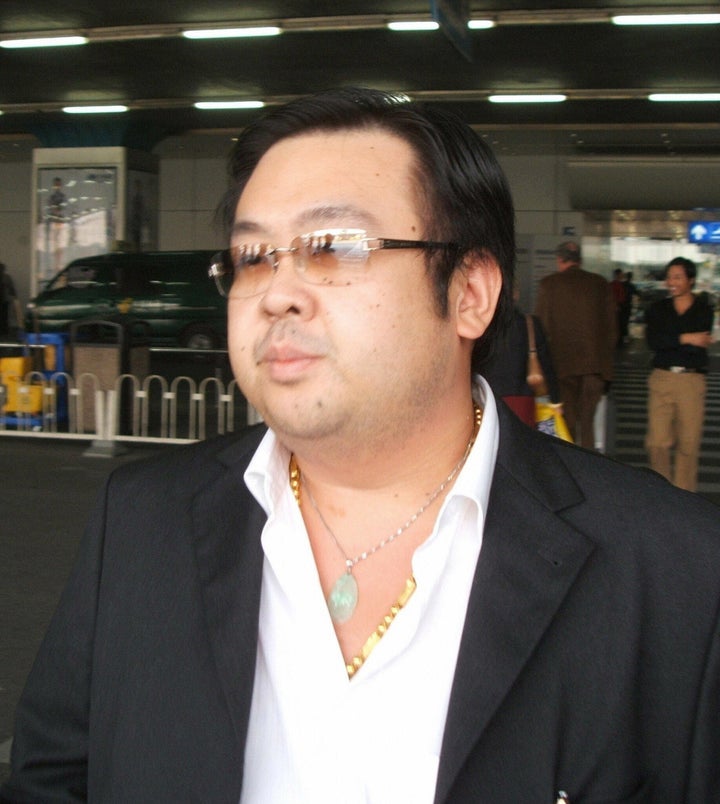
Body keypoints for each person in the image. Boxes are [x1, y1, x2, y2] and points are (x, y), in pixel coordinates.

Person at [2, 89, 719, 804]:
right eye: (253, 256)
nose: (277, 293)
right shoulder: (141, 519)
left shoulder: (672, 571)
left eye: (335, 247)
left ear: (470, 292)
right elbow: (53, 777)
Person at [534, 241, 617, 448]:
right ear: (580, 260)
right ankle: (589, 473)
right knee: (588, 424)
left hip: (562, 367)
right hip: (595, 368)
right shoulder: (600, 284)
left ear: (560, 260)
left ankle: (570, 473)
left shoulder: (549, 284)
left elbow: (540, 329)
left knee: (566, 423)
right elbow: (612, 329)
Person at [644, 256, 714, 492]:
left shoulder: (704, 309)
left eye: (677, 277)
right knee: (657, 442)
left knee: (688, 443)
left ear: (690, 280)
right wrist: (687, 338)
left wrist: (672, 339)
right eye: (669, 277)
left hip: (691, 380)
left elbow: (699, 344)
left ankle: (685, 495)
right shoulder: (657, 309)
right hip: (662, 377)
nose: (671, 282)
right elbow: (654, 341)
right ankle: (663, 492)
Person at [480, 291, 560, 428]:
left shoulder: (480, 326)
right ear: (516, 295)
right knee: (522, 444)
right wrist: (556, 401)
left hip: (490, 398)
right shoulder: (530, 324)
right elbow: (546, 365)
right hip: (523, 399)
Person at [0, 262, 19, 339]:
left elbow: (11, 288)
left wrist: (14, 296)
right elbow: (11, 288)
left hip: (4, 300)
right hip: (4, 300)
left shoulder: (6, 277)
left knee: (4, 316)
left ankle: (4, 331)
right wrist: (14, 296)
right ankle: (4, 331)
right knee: (4, 316)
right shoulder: (6, 277)